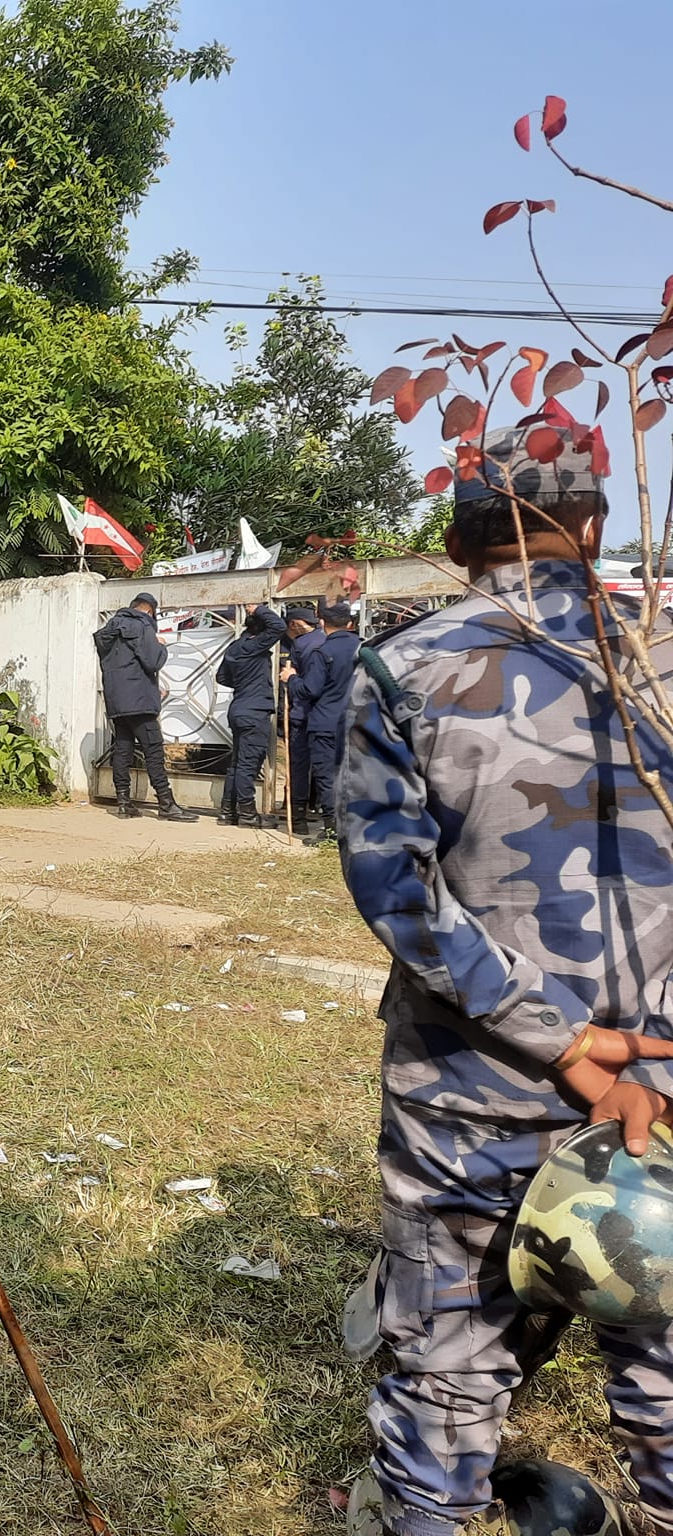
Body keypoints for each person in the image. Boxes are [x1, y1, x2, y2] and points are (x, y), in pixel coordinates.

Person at [340, 428, 673, 1535]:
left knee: (445, 1374)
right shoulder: (658, 660)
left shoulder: (406, 666)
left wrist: (563, 1045)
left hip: (471, 1094)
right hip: (659, 1097)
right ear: (591, 530)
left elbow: (397, 895)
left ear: (453, 541)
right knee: (667, 1371)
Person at [93, 592, 193, 821]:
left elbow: (126, 663)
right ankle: (166, 804)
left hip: (117, 700)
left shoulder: (109, 631)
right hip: (139, 702)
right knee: (154, 751)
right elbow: (153, 661)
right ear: (149, 610)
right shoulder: (141, 626)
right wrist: (161, 646)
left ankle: (124, 803)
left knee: (122, 749)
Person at [214, 603, 283, 828]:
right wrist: (259, 609)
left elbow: (221, 678)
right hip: (254, 711)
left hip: (239, 708)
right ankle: (247, 814)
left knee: (237, 763)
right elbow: (278, 626)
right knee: (247, 765)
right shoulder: (256, 644)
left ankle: (227, 811)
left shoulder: (235, 647)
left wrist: (243, 683)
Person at [300, 601, 362, 844]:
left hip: (325, 723)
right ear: (350, 624)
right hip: (358, 721)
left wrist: (292, 678)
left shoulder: (322, 652)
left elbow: (310, 689)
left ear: (322, 623)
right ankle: (355, 828)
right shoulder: (365, 649)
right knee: (354, 775)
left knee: (327, 777)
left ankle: (332, 829)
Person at [281, 604, 325, 826]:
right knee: (326, 765)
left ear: (296, 624)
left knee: (299, 766)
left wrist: (289, 678)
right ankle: (326, 814)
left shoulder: (301, 644)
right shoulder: (329, 641)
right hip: (327, 715)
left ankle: (298, 815)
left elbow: (297, 680)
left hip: (301, 710)